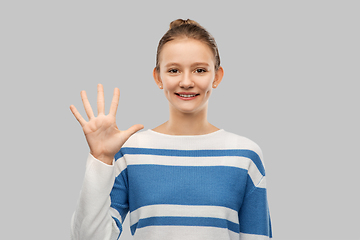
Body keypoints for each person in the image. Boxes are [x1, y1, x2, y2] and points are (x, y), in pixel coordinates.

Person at [70, 19, 272, 240]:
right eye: (174, 70)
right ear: (158, 77)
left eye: (200, 70)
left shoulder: (245, 155)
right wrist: (100, 159)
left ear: (217, 76)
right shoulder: (130, 152)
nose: (186, 82)